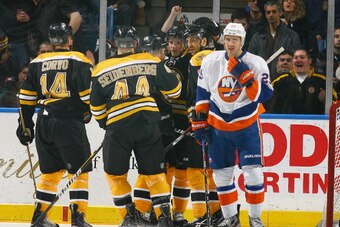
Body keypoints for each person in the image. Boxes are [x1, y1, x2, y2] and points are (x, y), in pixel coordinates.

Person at [90, 25, 182, 227]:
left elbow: (96, 109)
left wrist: (107, 124)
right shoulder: (150, 60)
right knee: (155, 173)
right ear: (136, 44)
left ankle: (129, 217)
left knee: (115, 174)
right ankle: (164, 217)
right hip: (148, 124)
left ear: (114, 44)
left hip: (118, 127)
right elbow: (175, 90)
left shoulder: (101, 68)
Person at [192, 22, 273, 227]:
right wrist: (200, 119)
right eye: (227, 39)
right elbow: (202, 93)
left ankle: (255, 219)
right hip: (219, 126)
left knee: (254, 174)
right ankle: (230, 219)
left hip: (246, 126)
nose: (230, 43)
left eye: (234, 40)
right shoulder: (211, 61)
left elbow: (262, 96)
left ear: (242, 41)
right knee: (222, 176)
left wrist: (244, 75)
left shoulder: (256, 63)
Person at [16, 22, 94, 227]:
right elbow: (88, 96)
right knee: (80, 171)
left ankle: (39, 216)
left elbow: (25, 99)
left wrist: (24, 125)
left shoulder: (37, 62)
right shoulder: (78, 59)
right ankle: (78, 217)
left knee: (50, 173)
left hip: (44, 122)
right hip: (68, 123)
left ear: (52, 41)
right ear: (69, 39)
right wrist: (90, 112)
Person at [184, 24, 226, 227]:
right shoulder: (222, 55)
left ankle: (204, 215)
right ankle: (222, 214)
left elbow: (196, 92)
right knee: (216, 169)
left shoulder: (198, 58)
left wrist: (194, 112)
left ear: (203, 41)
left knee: (197, 169)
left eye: (193, 40)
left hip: (205, 119)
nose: (189, 44)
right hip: (222, 119)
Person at [270, 48, 337, 114]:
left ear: (309, 61)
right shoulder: (280, 81)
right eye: (296, 58)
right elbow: (268, 101)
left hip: (315, 122)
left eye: (302, 57)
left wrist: (326, 100)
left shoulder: (322, 80)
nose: (298, 60)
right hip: (285, 122)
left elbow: (336, 104)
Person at [248, 0, 301, 80]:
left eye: (274, 11)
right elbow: (250, 61)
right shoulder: (257, 37)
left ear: (280, 13)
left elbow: (296, 61)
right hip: (261, 81)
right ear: (265, 15)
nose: (271, 15)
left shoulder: (292, 36)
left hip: (285, 81)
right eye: (268, 12)